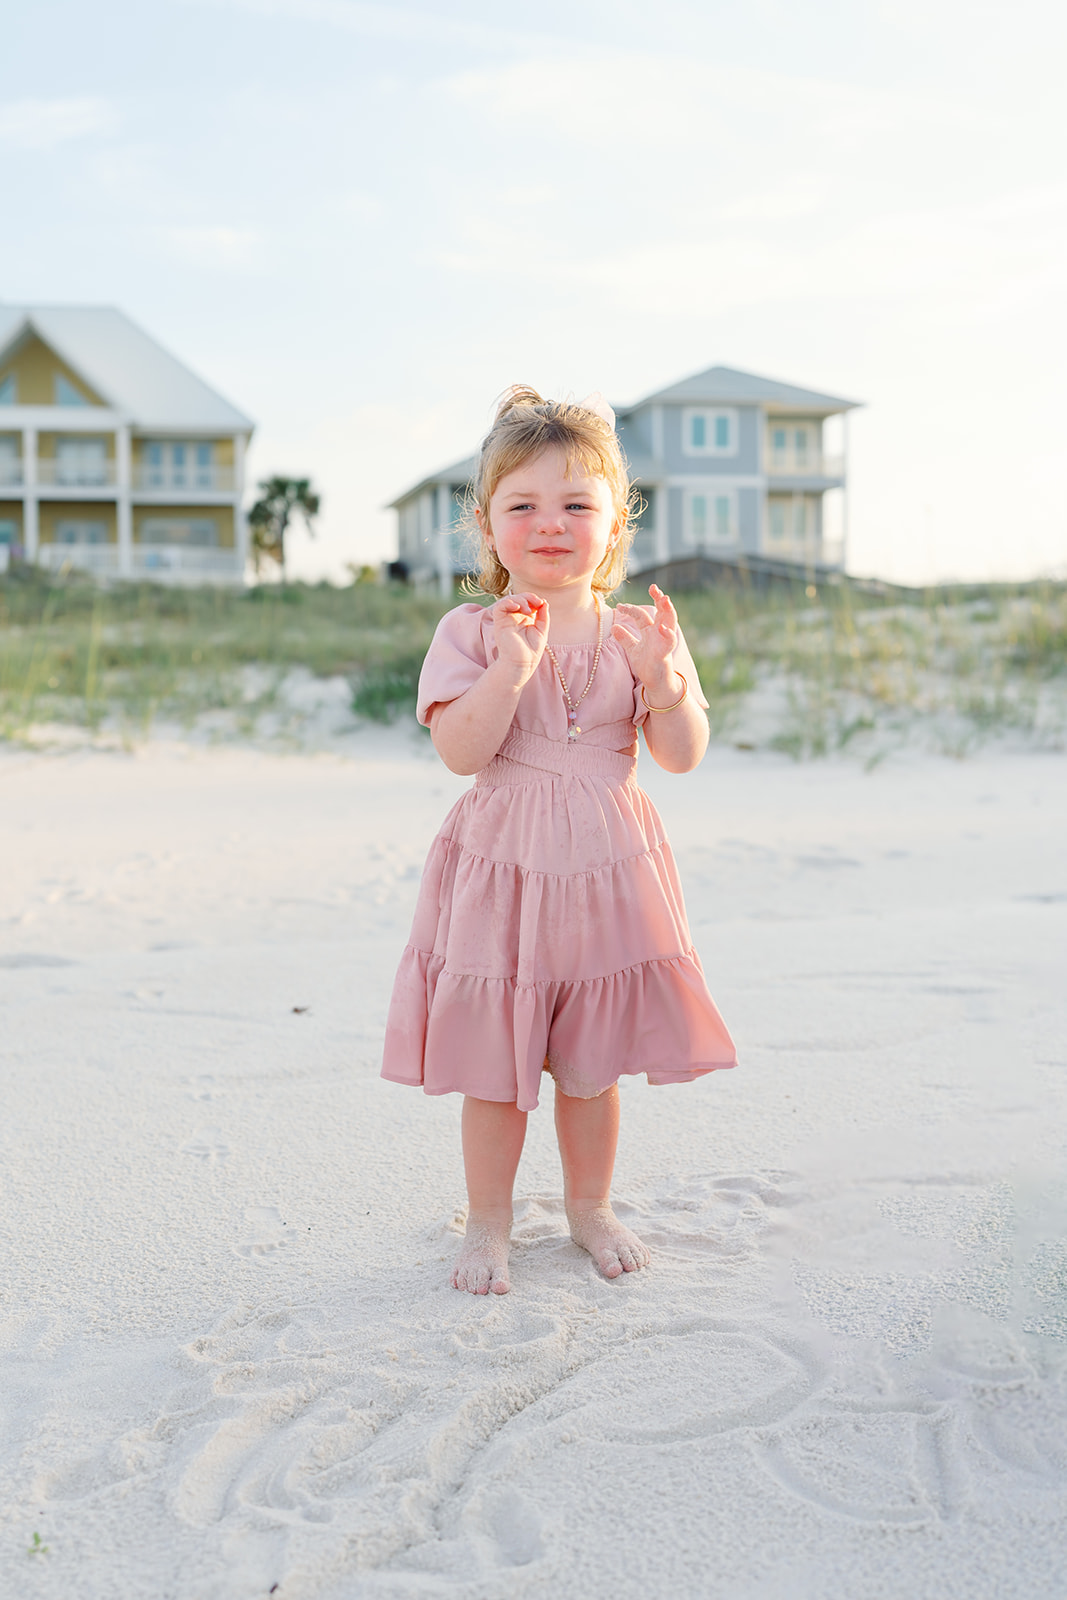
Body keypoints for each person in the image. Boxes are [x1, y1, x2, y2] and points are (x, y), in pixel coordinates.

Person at [381, 387, 737, 1295]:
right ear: (485, 524)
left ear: (615, 523)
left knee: (590, 1065)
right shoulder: (472, 632)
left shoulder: (640, 633)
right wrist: (508, 673)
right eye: (523, 505)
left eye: (577, 504)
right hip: (503, 873)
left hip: (608, 875)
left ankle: (589, 1207)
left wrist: (664, 682)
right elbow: (461, 754)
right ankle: (488, 1224)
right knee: (494, 1068)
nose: (550, 524)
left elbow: (681, 754)